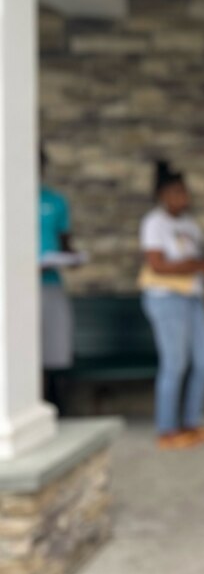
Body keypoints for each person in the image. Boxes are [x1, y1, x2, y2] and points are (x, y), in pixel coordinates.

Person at [139, 160, 204, 450]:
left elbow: (199, 259)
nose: (181, 198)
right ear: (162, 194)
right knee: (175, 363)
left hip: (194, 297)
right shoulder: (154, 223)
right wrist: (194, 266)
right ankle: (167, 429)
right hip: (166, 299)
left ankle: (191, 423)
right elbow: (157, 265)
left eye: (184, 193)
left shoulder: (189, 224)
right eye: (175, 193)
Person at [39, 147, 76, 414]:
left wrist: (72, 257)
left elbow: (66, 244)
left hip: (50, 281)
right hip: (14, 288)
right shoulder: (8, 199)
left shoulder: (55, 201)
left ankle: (56, 409)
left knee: (54, 349)